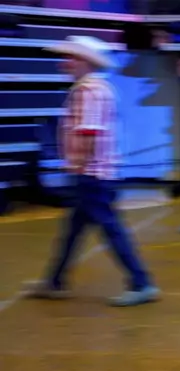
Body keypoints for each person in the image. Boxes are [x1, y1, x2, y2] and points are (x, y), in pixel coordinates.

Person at [23, 35, 160, 307]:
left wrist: (78, 165)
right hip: (92, 174)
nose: (65, 62)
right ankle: (55, 281)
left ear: (84, 61)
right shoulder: (93, 88)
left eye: (71, 57)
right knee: (75, 230)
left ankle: (141, 282)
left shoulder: (90, 91)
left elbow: (88, 131)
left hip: (91, 175)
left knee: (111, 230)